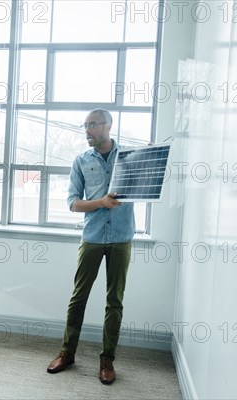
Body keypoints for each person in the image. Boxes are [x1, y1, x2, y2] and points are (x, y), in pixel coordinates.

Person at [46, 109, 135, 385]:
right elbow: (73, 203)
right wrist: (101, 203)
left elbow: (147, 187)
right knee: (78, 297)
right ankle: (67, 352)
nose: (87, 130)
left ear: (108, 125)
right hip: (93, 238)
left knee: (114, 301)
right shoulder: (81, 161)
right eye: (85, 125)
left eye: (93, 124)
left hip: (122, 238)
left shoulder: (129, 159)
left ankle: (107, 359)